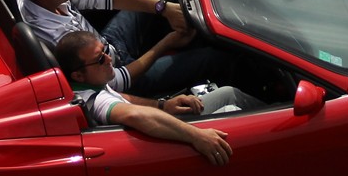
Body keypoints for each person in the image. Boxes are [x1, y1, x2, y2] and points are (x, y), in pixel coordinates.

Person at [16, 0, 230, 94]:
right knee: (212, 58)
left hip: (107, 45)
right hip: (118, 74)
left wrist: (163, 8)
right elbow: (114, 82)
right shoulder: (61, 38)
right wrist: (167, 43)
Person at [55, 30, 243, 166]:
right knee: (232, 114)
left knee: (228, 93)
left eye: (105, 51)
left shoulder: (91, 81)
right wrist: (197, 135)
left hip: (161, 126)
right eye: (100, 59)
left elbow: (120, 97)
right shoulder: (95, 101)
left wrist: (163, 105)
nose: (109, 59)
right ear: (78, 75)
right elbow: (135, 115)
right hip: (163, 143)